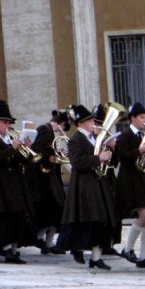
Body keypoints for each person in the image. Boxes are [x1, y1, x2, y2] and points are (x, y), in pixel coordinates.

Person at [55, 104, 115, 270]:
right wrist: (98, 158)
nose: (92, 123)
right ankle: (78, 249)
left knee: (101, 221)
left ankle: (96, 258)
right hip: (83, 186)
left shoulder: (95, 138)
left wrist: (109, 150)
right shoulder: (76, 139)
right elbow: (77, 162)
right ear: (80, 123)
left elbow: (104, 159)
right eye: (89, 121)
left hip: (98, 183)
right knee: (88, 221)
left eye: (92, 120)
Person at [0, 98, 35, 263]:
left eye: (8, 122)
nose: (7, 125)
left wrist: (26, 149)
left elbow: (22, 161)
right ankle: (6, 248)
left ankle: (13, 249)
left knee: (18, 215)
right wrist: (12, 148)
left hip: (15, 181)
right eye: (4, 121)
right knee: (4, 217)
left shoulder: (9, 138)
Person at [115, 102, 145, 271]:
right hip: (130, 180)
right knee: (144, 215)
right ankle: (127, 249)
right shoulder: (125, 136)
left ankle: (143, 256)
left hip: (144, 179)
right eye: (142, 117)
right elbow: (123, 157)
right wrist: (141, 149)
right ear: (132, 118)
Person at [29, 109, 69, 254]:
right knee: (53, 208)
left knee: (57, 208)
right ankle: (43, 240)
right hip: (44, 177)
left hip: (51, 176)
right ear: (62, 124)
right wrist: (49, 158)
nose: (62, 131)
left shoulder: (49, 131)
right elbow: (36, 150)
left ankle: (48, 242)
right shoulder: (45, 130)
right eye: (63, 127)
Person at [91, 103, 122, 257]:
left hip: (109, 176)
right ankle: (99, 246)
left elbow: (115, 162)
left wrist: (113, 148)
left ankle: (110, 243)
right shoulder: (90, 138)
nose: (99, 126)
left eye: (101, 124)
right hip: (96, 178)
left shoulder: (106, 137)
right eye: (97, 123)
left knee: (114, 211)